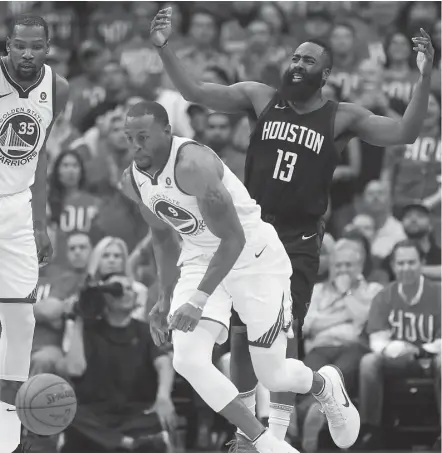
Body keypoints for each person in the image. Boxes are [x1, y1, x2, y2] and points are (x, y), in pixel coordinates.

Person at [150, 6, 435, 449]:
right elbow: (195, 90)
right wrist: (164, 48)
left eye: (308, 61)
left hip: (296, 240)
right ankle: (250, 433)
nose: (297, 65)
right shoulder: (260, 97)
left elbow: (404, 133)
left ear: (325, 73)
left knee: (278, 340)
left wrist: (423, 80)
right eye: (295, 58)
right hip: (249, 233)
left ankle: (278, 435)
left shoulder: (342, 117)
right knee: (242, 340)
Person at [120, 101, 360, 453]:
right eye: (130, 137)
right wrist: (165, 297)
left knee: (272, 374)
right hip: (201, 257)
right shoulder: (132, 180)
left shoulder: (193, 165)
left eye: (143, 136)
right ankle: (263, 443)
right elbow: (162, 236)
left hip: (253, 256)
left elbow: (234, 240)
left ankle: (324, 385)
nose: (136, 145)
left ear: (167, 132)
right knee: (187, 358)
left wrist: (198, 300)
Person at [0, 15, 69, 453]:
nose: (28, 54)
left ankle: (6, 440)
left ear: (47, 46)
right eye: (19, 45)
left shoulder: (58, 88)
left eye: (36, 46)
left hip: (17, 210)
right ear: (7, 44)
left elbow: (40, 156)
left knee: (21, 321)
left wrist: (39, 221)